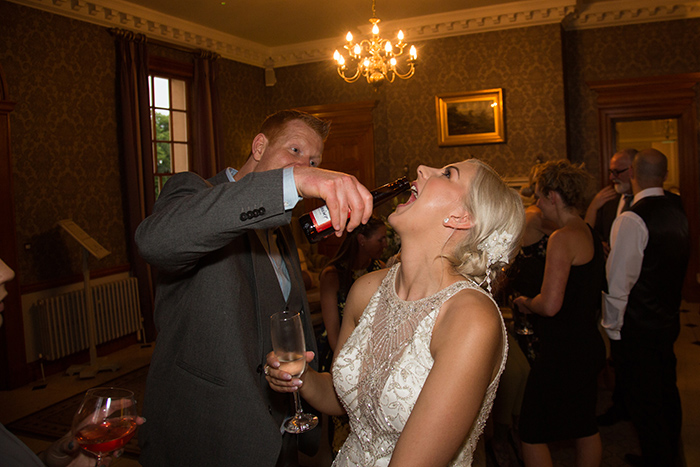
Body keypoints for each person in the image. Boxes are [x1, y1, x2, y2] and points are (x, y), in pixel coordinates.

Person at [135, 110, 373, 467]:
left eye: (313, 161)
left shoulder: (281, 228)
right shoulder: (193, 191)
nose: (304, 165)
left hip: (276, 435)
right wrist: (292, 180)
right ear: (259, 146)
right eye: (294, 150)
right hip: (206, 434)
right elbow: (155, 241)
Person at [266, 159, 525, 466]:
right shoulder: (365, 291)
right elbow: (342, 398)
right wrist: (301, 377)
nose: (421, 169)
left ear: (460, 216)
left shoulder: (470, 318)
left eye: (447, 173)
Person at [513, 160, 606, 467]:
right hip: (588, 345)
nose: (537, 204)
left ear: (553, 196)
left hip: (562, 350)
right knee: (585, 427)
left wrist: (526, 301)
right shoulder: (589, 232)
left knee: (531, 431)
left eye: (539, 196)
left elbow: (550, 305)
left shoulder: (561, 238)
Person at [602, 148, 689, 467]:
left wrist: (613, 331)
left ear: (634, 174)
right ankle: (669, 453)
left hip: (637, 326)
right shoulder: (677, 206)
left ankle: (657, 459)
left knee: (646, 401)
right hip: (667, 319)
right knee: (666, 390)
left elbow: (618, 285)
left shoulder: (631, 219)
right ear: (664, 175)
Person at [317, 215, 387, 455]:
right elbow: (335, 334)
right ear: (361, 240)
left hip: (376, 355)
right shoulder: (333, 275)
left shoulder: (380, 271)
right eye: (381, 239)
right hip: (342, 354)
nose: (385, 244)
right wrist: (352, 368)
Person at [584, 148, 637, 253]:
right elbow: (591, 233)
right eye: (611, 172)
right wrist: (600, 244)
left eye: (617, 172)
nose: (611, 177)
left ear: (633, 171)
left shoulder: (647, 201)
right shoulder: (607, 199)